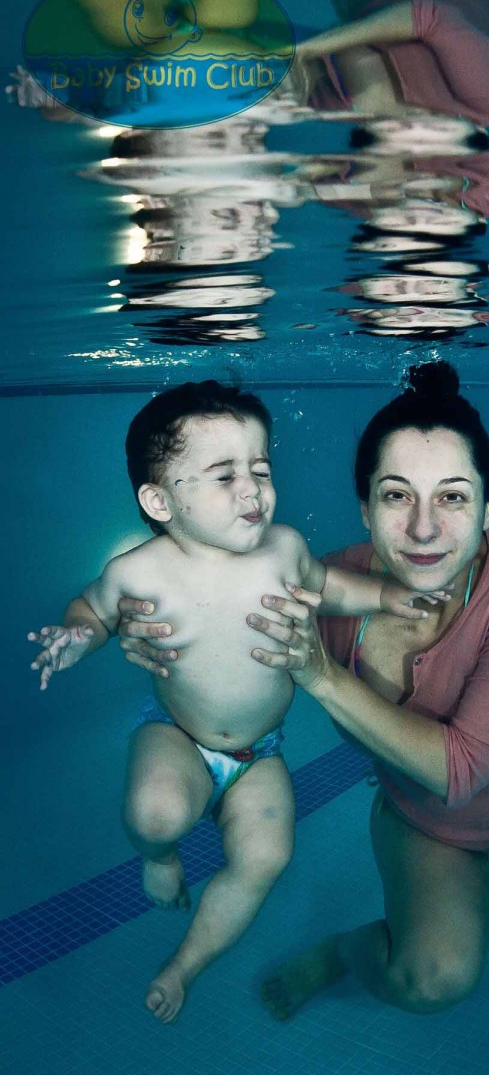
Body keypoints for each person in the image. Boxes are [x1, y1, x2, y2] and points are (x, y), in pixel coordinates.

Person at [117, 362, 489, 1021]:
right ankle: (345, 951)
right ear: (365, 507)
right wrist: (153, 640)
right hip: (422, 818)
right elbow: (205, 619)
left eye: (453, 498)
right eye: (397, 496)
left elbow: (462, 769)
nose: (425, 530)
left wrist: (322, 675)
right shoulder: (321, 587)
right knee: (429, 982)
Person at [26, 380, 446, 1024]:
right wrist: (75, 636)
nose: (252, 490)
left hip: (261, 752)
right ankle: (160, 859)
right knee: (156, 813)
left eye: (261, 469)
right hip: (178, 733)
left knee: (267, 857)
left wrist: (388, 596)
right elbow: (94, 610)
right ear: (160, 501)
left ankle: (186, 963)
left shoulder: (283, 548)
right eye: (224, 476)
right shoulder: (139, 571)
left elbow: (328, 587)